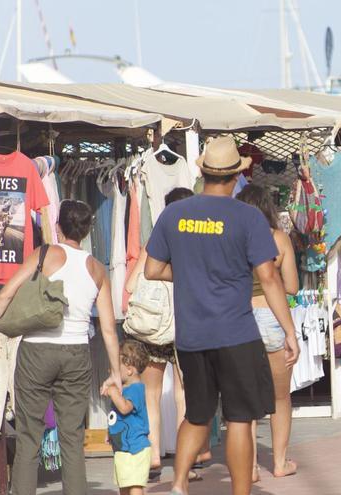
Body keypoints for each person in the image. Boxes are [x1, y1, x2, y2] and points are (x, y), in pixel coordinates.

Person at [144, 136, 300, 495]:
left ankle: (179, 484)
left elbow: (152, 269)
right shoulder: (247, 217)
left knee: (197, 414)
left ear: (203, 172)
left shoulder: (174, 214)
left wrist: (188, 273)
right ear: (234, 177)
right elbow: (269, 277)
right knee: (239, 418)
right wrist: (288, 330)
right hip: (236, 334)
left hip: (192, 335)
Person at [0, 200, 123, 495]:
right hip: (77, 354)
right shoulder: (97, 269)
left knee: (29, 436)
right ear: (88, 230)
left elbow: (7, 294)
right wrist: (116, 372)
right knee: (72, 438)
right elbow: (107, 328)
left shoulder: (44, 254)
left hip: (37, 352)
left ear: (57, 227)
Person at [125, 187, 211, 481]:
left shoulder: (156, 240)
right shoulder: (200, 243)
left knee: (150, 392)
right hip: (188, 324)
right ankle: (189, 461)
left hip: (155, 327)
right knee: (184, 392)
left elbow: (130, 285)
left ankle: (152, 459)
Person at [236, 184, 299, 481]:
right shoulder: (279, 239)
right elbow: (292, 287)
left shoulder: (234, 239)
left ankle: (249, 468)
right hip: (273, 317)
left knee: (246, 399)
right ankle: (280, 462)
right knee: (279, 397)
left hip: (242, 318)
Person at [104, 340, 151, 495]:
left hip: (135, 448)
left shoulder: (135, 389)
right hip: (124, 448)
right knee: (124, 486)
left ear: (129, 369)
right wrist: (110, 431)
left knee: (135, 486)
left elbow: (124, 408)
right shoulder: (124, 389)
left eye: (116, 367)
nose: (111, 370)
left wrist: (112, 391)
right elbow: (117, 416)